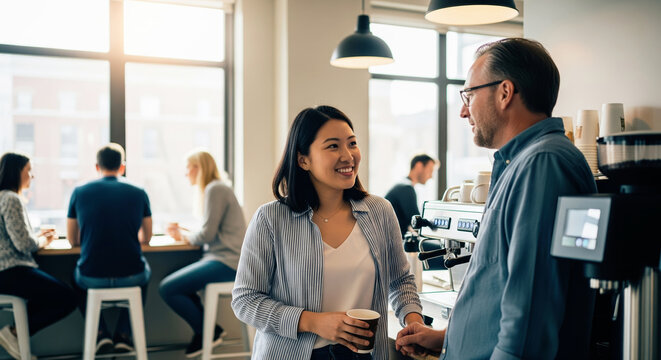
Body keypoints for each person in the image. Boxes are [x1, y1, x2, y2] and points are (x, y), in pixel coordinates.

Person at [396, 38, 597, 359]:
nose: (463, 111)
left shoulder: (541, 165)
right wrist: (446, 338)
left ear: (505, 92)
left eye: (470, 95)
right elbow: (498, 291)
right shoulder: (523, 163)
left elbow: (528, 312)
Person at [231, 105, 423, 360]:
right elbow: (245, 300)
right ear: (303, 160)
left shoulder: (380, 211)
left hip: (363, 355)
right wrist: (312, 322)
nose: (348, 156)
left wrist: (413, 320)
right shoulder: (271, 219)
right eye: (333, 146)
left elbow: (400, 281)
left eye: (352, 144)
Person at [159, 150, 246, 358]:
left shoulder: (215, 189)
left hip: (227, 261)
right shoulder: (218, 188)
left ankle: (208, 332)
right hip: (224, 259)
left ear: (199, 168)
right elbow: (211, 232)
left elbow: (207, 235)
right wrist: (186, 233)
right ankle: (206, 332)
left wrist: (182, 235)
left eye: (188, 168)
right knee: (180, 287)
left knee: (169, 288)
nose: (186, 174)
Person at [67, 143, 152, 354]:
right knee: (145, 273)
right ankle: (124, 333)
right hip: (131, 276)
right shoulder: (139, 192)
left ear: (97, 167)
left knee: (75, 275)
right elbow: (147, 237)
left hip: (91, 278)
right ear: (122, 167)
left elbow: (72, 240)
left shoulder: (79, 192)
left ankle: (101, 333)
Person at [0, 152, 77, 359]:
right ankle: (13, 333)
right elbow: (24, 244)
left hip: (5, 271)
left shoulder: (3, 198)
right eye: (29, 171)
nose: (32, 176)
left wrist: (37, 236)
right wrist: (44, 240)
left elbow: (12, 238)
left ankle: (16, 334)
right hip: (11, 270)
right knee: (67, 298)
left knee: (50, 296)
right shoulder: (11, 198)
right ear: (17, 172)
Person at [384, 154, 436, 237]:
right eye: (430, 170)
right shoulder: (406, 188)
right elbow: (416, 222)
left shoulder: (401, 185)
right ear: (419, 166)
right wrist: (434, 226)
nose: (431, 176)